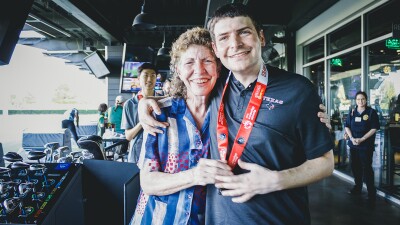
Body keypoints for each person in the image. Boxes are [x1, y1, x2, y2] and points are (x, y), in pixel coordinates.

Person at [138, 3, 334, 225]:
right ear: (217, 47)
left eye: (244, 32)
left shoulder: (298, 90)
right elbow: (189, 85)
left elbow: (326, 163)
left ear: (261, 37)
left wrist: (275, 180)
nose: (235, 44)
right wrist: (144, 102)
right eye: (224, 37)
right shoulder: (213, 89)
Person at [130, 27, 233, 225]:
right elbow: (148, 182)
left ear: (219, 68)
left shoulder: (230, 115)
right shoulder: (159, 113)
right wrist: (195, 175)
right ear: (178, 70)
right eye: (189, 62)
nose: (199, 70)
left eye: (207, 61)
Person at [121, 62, 163, 163]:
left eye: (153, 76)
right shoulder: (130, 105)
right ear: (139, 79)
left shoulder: (163, 101)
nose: (149, 79)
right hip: (137, 155)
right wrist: (143, 121)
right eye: (146, 75)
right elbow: (128, 136)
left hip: (161, 152)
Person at [344, 91, 379, 204]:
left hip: (365, 145)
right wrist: (352, 138)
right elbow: (347, 126)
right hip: (353, 144)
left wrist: (362, 139)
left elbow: (374, 128)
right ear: (356, 100)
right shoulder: (352, 112)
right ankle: (357, 187)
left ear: (366, 100)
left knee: (367, 168)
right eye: (358, 99)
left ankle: (371, 192)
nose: (360, 101)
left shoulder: (371, 112)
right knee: (355, 166)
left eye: (362, 99)